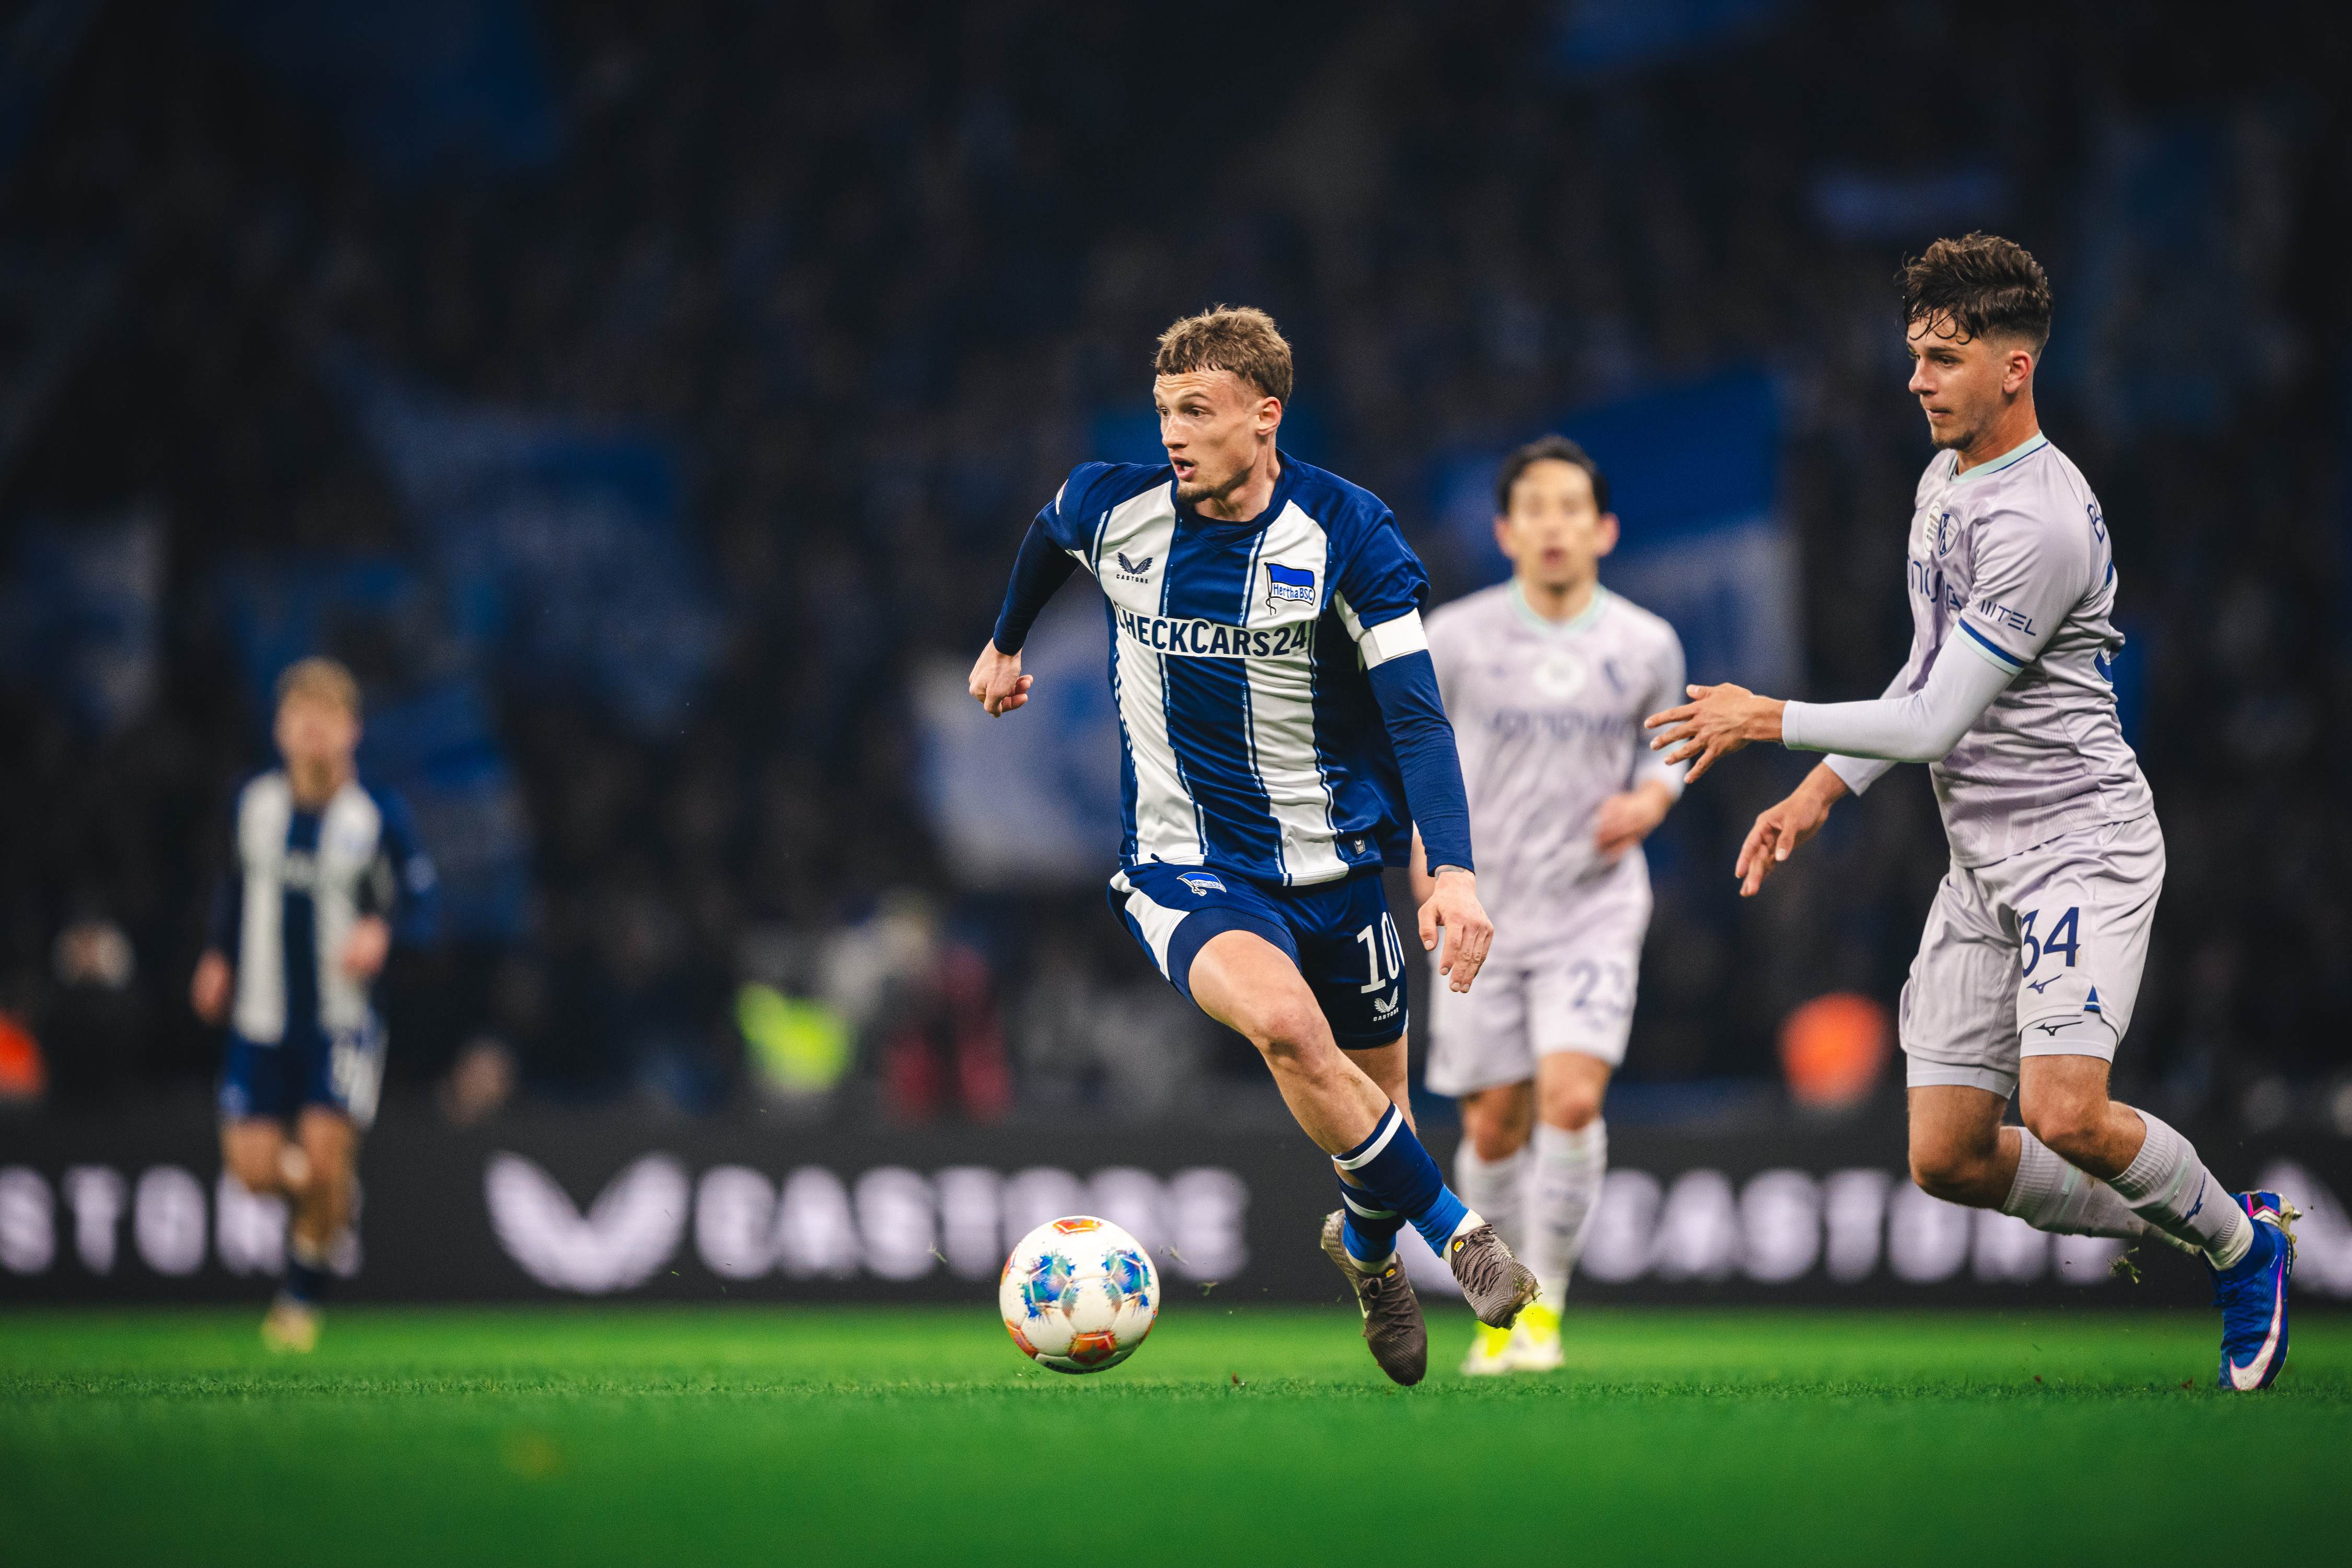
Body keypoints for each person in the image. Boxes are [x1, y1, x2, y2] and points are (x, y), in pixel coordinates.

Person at [1645, 234, 2297, 1391]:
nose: (1916, 380)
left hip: (2077, 853)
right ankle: (2201, 1222)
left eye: (1942, 357)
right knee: (1945, 1157)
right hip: (1982, 866)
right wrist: (1820, 788)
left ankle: (2242, 1250)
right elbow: (1922, 674)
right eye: (1913, 354)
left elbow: (1939, 724)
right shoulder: (1944, 483)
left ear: (2015, 367)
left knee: (2064, 1114)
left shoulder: (2038, 521)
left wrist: (1767, 720)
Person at [969, 305, 1536, 1386]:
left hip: (1339, 870)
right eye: (1164, 411)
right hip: (1186, 869)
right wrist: (1004, 643)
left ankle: (1367, 1250)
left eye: (1198, 410)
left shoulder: (1350, 535)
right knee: (1286, 1028)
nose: (1173, 433)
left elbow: (1415, 716)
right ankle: (1465, 1239)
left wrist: (1451, 869)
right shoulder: (1116, 505)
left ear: (1265, 417)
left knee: (1378, 1118)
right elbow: (1048, 533)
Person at [1417, 435, 1686, 1374]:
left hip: (1593, 908)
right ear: (1505, 530)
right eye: (1536, 508)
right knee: (1494, 1121)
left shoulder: (1645, 643)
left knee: (1571, 1101)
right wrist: (1429, 870)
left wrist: (1653, 798)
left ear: (1604, 528)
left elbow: (1671, 747)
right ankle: (1503, 1301)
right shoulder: (1454, 637)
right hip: (1482, 911)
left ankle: (1546, 1312)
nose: (1555, 525)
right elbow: (1417, 755)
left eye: (1573, 507)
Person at [191, 658, 437, 1352]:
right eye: (302, 717)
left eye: (327, 718)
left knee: (327, 1161)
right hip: (260, 1021)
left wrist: (382, 932)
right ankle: (329, 1206)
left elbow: (424, 907)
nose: (313, 731)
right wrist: (218, 955)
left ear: (351, 732)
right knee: (253, 1174)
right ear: (280, 730)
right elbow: (235, 890)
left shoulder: (377, 819)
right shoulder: (254, 805)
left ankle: (300, 1300)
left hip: (342, 1024)